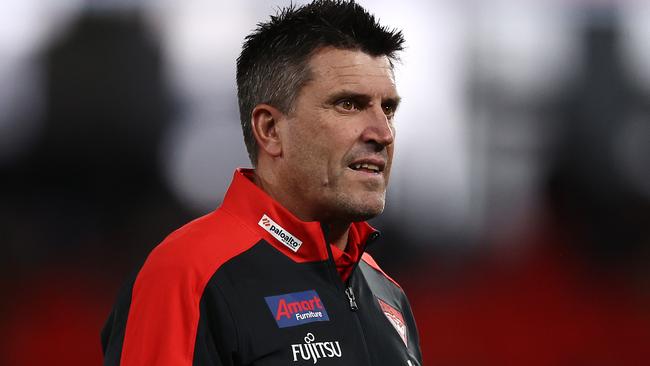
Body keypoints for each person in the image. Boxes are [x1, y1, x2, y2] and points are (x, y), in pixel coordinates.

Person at [101, 1, 422, 365]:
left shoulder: (386, 293)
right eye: (348, 104)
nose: (382, 132)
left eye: (388, 108)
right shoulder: (185, 276)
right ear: (270, 130)